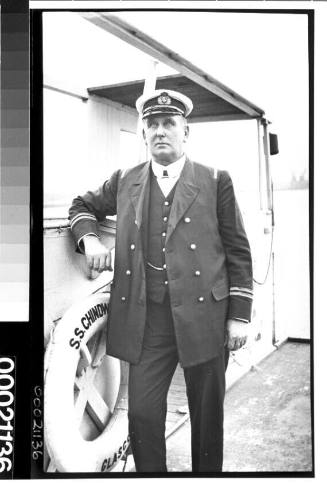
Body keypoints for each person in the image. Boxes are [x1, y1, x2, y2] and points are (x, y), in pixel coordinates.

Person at [69, 89, 253, 473]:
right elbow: (81, 206)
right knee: (143, 417)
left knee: (206, 420)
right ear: (144, 134)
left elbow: (238, 250)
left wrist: (239, 316)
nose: (160, 131)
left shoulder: (216, 180)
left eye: (169, 123)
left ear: (186, 133)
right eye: (152, 125)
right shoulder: (125, 181)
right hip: (148, 321)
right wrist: (88, 239)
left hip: (206, 319)